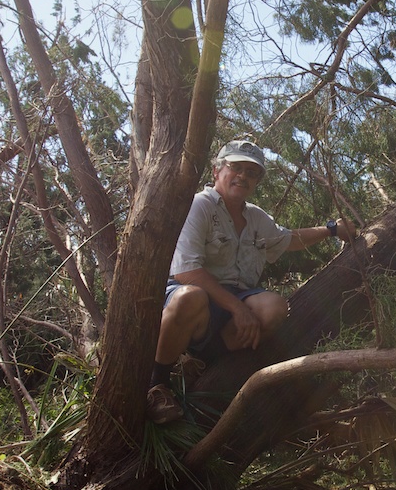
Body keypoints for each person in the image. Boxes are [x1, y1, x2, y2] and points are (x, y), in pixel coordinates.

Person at [148, 138, 354, 421]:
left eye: (252, 172)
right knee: (189, 297)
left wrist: (331, 230)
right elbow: (187, 272)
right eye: (236, 167)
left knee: (274, 308)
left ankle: (201, 362)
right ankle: (157, 384)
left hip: (233, 303)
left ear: (257, 181)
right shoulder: (199, 206)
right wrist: (238, 308)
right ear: (217, 171)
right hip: (195, 297)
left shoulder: (256, 217)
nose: (243, 176)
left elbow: (288, 240)